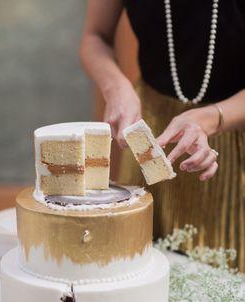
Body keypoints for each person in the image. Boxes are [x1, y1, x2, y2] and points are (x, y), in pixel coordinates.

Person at [80, 0, 245, 271]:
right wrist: (116, 87)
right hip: (154, 134)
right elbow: (94, 36)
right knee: (139, 273)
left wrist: (213, 118)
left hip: (236, 133)